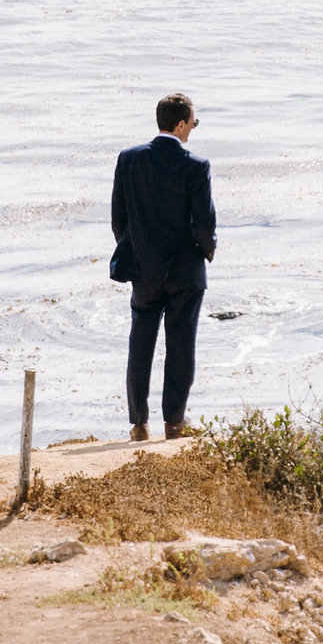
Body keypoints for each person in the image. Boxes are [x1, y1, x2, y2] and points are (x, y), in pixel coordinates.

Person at [109, 92, 217, 441]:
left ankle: (138, 424)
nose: (192, 131)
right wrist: (208, 250)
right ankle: (174, 422)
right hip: (185, 271)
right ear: (181, 123)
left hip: (143, 269)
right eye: (193, 124)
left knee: (140, 343)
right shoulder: (196, 166)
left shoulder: (129, 159)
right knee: (181, 344)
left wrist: (137, 251)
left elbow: (118, 219)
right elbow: (203, 224)